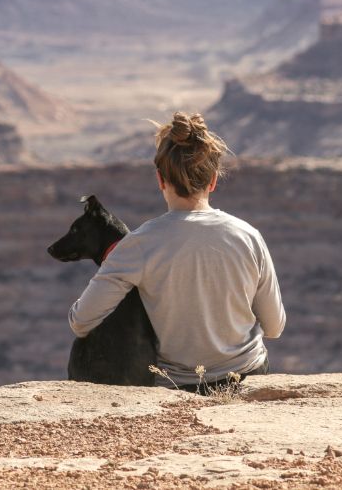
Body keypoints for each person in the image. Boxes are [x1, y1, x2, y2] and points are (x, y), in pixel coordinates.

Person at [68, 111, 286, 390]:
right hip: (247, 376)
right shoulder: (248, 236)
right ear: (213, 181)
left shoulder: (138, 244)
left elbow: (81, 321)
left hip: (179, 386)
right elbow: (274, 327)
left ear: (160, 179)